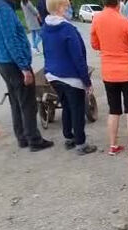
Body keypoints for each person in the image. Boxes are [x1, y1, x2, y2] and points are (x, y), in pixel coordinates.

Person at [0, 0, 54, 152]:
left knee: (15, 101)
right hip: (14, 63)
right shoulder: (4, 9)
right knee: (28, 102)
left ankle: (22, 137)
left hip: (2, 62)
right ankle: (34, 140)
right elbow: (11, 40)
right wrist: (24, 67)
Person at [41, 0, 98, 155]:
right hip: (70, 76)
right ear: (59, 8)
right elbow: (78, 57)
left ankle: (69, 137)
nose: (69, 9)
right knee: (77, 109)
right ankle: (81, 143)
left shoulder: (45, 28)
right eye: (67, 6)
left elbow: (46, 52)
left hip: (53, 75)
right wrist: (86, 81)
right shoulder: (67, 29)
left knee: (66, 105)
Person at [91, 0, 128, 158]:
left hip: (108, 72)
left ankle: (113, 145)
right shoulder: (124, 21)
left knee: (113, 110)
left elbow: (94, 44)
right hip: (127, 72)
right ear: (118, 4)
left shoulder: (97, 19)